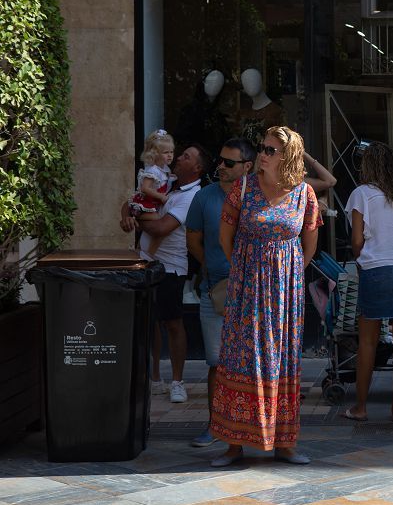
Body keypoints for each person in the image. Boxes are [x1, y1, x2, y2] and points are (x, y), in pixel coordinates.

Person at [209, 126, 321, 467]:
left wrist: (287, 274)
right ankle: (233, 445)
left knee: (282, 361)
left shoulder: (304, 194)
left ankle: (284, 443)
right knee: (241, 359)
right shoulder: (243, 188)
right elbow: (225, 236)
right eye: (262, 148)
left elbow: (310, 245)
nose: (263, 154)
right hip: (247, 291)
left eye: (270, 150)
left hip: (286, 293)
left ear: (288, 157)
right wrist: (245, 268)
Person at [119, 144, 208, 405]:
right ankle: (154, 378)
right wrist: (127, 216)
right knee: (150, 322)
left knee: (172, 322)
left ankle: (177, 382)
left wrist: (137, 215)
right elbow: (129, 201)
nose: (178, 157)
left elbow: (160, 228)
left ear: (197, 168)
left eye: (186, 156)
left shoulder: (193, 195)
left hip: (170, 267)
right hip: (145, 262)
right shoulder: (164, 181)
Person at [184, 138, 255, 448]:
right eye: (221, 161)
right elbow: (193, 242)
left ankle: (250, 425)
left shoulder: (258, 197)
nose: (221, 167)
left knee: (252, 361)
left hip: (255, 290)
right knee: (216, 361)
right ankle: (216, 425)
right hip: (216, 289)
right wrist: (213, 269)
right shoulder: (204, 198)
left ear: (247, 167)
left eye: (229, 163)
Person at [343, 141, 393, 423]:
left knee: (368, 341)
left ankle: (361, 407)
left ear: (367, 166)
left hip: (377, 268)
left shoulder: (361, 194)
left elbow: (356, 240)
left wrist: (362, 256)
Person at [129, 129, 177, 256]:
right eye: (165, 152)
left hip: (152, 205)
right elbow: (145, 188)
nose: (170, 155)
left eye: (171, 152)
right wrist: (161, 197)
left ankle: (139, 250)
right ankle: (149, 254)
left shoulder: (164, 169)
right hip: (145, 205)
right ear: (154, 154)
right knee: (160, 230)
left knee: (153, 230)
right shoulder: (153, 171)